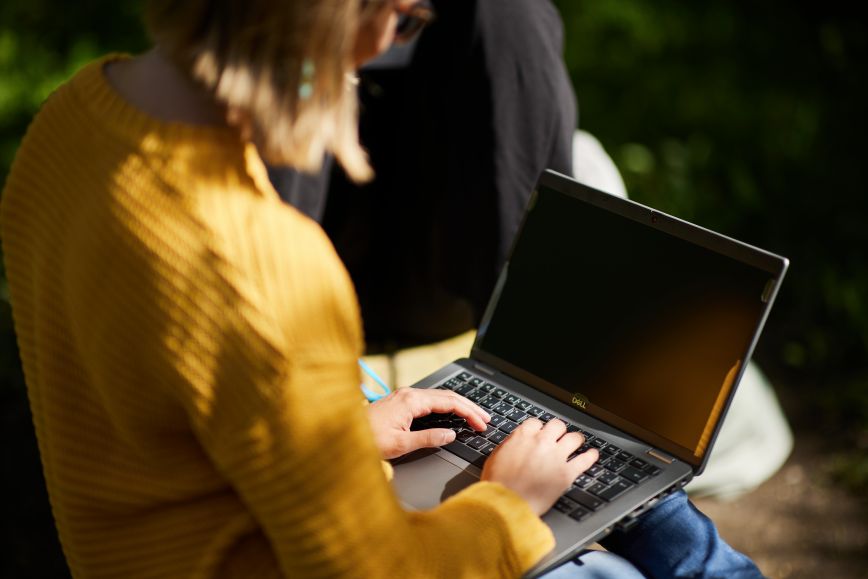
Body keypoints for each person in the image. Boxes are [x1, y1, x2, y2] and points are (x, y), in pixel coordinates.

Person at [0, 0, 763, 577]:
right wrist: (508, 503)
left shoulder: (69, 123)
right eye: (402, 19)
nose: (380, 54)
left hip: (167, 537)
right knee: (628, 537)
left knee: (610, 477)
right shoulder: (262, 264)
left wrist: (335, 436)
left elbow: (158, 415)